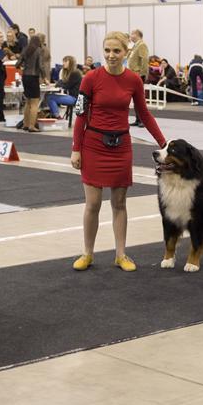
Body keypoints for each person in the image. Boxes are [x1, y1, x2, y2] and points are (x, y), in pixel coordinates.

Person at [70, 31, 166, 272]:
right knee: (92, 204)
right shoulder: (90, 79)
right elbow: (80, 115)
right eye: (107, 50)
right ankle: (88, 253)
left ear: (126, 53)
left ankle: (121, 254)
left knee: (119, 203)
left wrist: (163, 143)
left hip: (121, 147)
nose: (111, 55)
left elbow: (143, 113)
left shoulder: (134, 80)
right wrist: (76, 149)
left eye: (116, 51)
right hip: (93, 146)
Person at [16, 35, 43, 132]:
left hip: (25, 77)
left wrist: (23, 66)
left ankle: (25, 124)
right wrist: (45, 77)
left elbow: (17, 64)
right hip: (33, 77)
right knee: (35, 103)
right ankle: (32, 126)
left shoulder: (25, 49)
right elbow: (40, 66)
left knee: (28, 102)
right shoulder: (38, 50)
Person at [127, 29, 149, 127]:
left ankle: (142, 120)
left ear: (137, 35)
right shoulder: (135, 46)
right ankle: (138, 119)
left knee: (139, 99)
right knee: (135, 98)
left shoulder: (142, 45)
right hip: (133, 74)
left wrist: (142, 73)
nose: (130, 36)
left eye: (132, 34)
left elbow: (144, 59)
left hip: (138, 74)